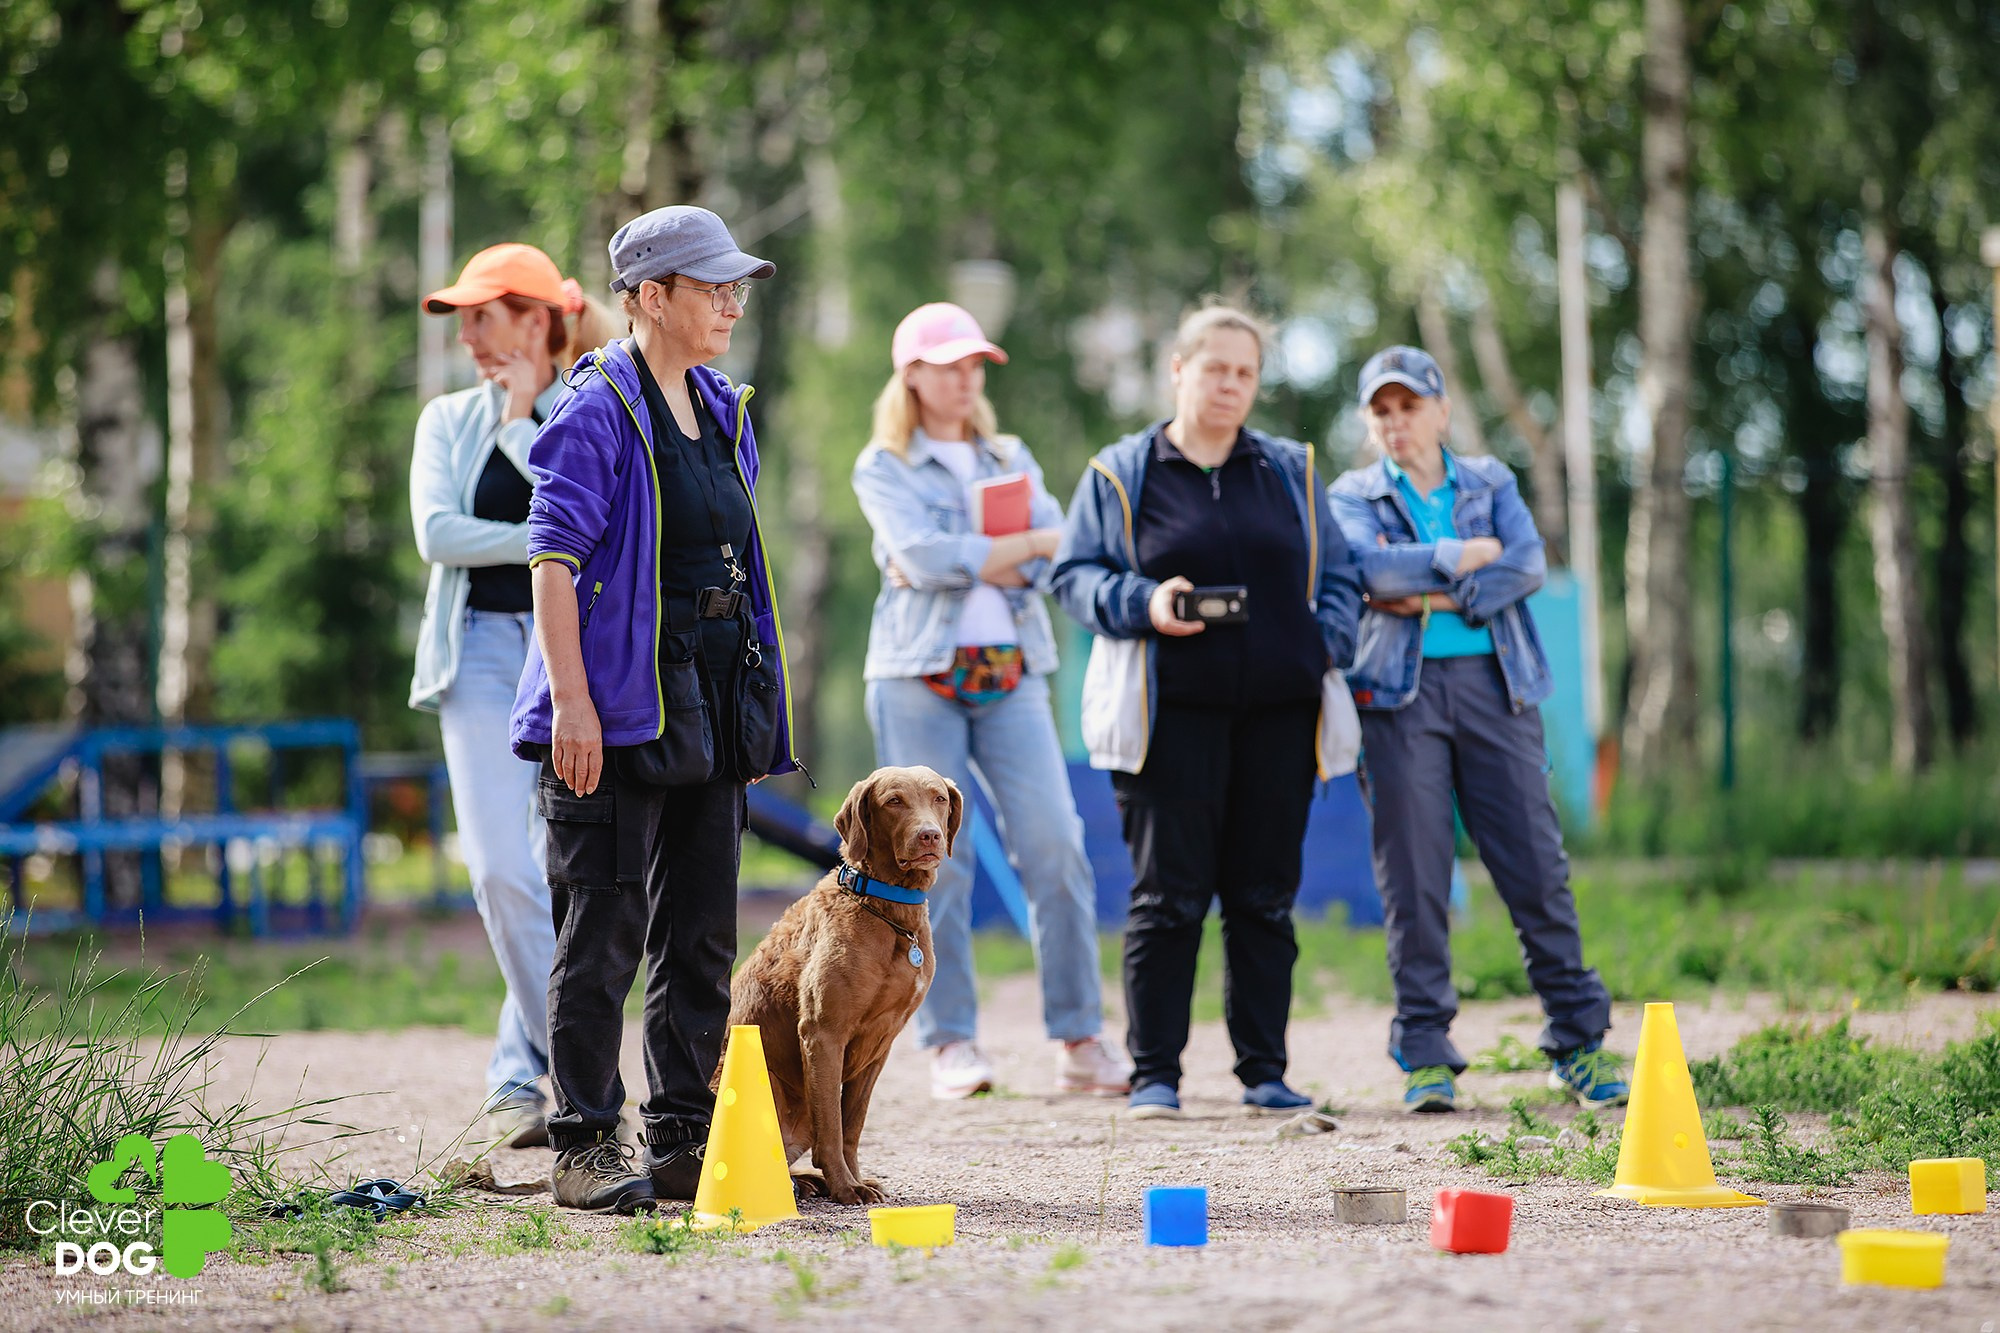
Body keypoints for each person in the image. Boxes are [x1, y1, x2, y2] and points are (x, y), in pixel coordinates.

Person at [508, 206, 802, 1214]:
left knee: (700, 934)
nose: (728, 303)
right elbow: (551, 564)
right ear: (646, 297)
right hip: (613, 712)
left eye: (734, 287)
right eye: (706, 285)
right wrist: (573, 708)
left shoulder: (722, 404)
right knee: (601, 932)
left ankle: (682, 1133)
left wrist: (755, 716)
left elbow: (732, 561)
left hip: (710, 705)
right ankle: (584, 1142)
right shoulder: (592, 410)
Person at [1052, 303, 1362, 1120]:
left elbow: (1338, 575)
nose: (1231, 384)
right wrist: (1144, 599)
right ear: (1178, 371)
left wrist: (1318, 640)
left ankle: (1266, 1071)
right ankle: (1156, 1074)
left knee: (1264, 897)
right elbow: (1072, 575)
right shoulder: (1121, 471)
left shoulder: (1291, 468)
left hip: (1280, 717)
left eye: (1246, 372)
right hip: (1167, 719)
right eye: (1215, 367)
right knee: (1168, 898)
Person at [1327, 345, 1628, 1114]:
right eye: (1382, 412)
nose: (1397, 423)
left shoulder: (1491, 478)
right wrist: (1464, 560)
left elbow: (1525, 564)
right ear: (1371, 423)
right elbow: (1368, 574)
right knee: (1417, 878)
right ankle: (1425, 1052)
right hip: (1399, 699)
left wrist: (1422, 586)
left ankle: (1578, 1043)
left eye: (1409, 406)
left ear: (1441, 409)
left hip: (1499, 689)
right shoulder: (1353, 493)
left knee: (1536, 864)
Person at [852, 302, 1131, 1102]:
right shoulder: (884, 464)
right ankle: (952, 1043)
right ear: (913, 375)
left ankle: (1079, 1037)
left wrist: (992, 556)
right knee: (941, 860)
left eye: (976, 364)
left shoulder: (1011, 455)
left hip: (1013, 673)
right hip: (916, 675)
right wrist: (1014, 550)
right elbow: (919, 556)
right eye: (950, 364)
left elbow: (1062, 550)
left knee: (1056, 845)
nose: (968, 377)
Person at [410, 243, 618, 1149]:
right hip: (478, 658)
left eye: (484, 317)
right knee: (500, 872)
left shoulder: (591, 410)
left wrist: (532, 415)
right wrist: (540, 541)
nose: (469, 337)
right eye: (462, 320)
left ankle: (518, 1080)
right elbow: (439, 534)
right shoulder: (447, 418)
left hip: (568, 661)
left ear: (537, 319)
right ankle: (593, 1082)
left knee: (560, 881)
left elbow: (593, 529)